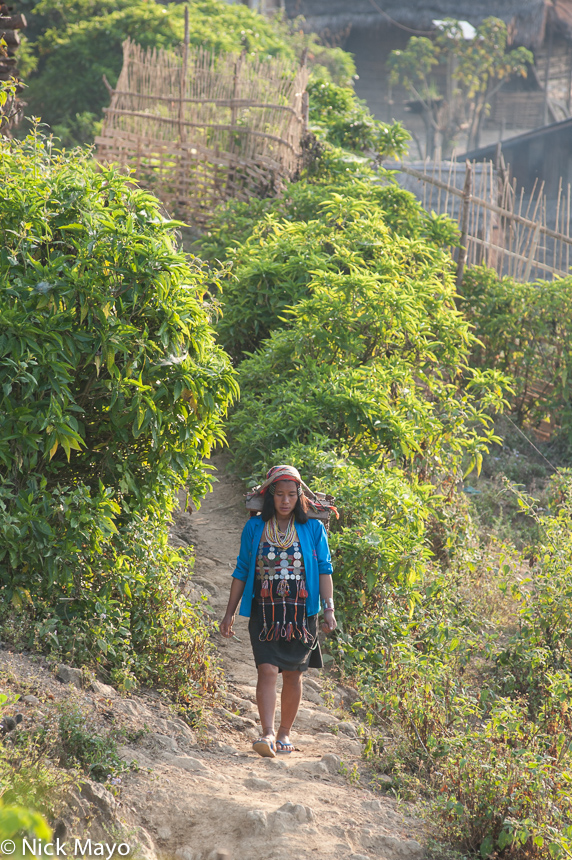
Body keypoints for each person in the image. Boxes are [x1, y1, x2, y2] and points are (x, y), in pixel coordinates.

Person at [220, 464, 337, 757]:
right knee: (267, 669)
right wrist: (229, 612)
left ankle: (285, 732)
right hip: (265, 612)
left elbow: (324, 569)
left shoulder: (313, 528)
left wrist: (328, 609)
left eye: (291, 495)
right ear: (270, 496)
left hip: (301, 615)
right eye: (279, 495)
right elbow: (243, 569)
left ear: (300, 497)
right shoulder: (255, 527)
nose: (285, 501)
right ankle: (268, 733)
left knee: (294, 675)